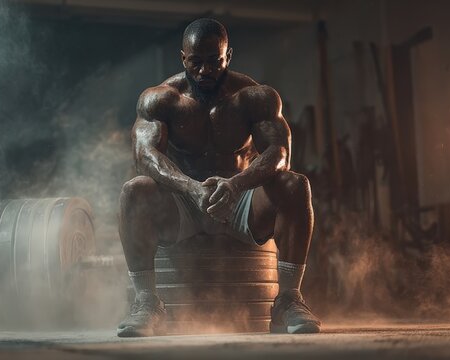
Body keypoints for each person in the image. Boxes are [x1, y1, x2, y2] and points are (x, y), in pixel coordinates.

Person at [117, 18, 321, 337]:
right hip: (184, 204)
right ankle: (146, 301)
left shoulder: (255, 97)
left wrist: (236, 184)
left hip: (240, 203)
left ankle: (288, 300)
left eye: (214, 61)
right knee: (135, 190)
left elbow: (280, 152)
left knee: (295, 184)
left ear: (228, 56)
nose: (204, 71)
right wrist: (191, 188)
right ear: (183, 58)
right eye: (196, 62)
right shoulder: (160, 99)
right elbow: (144, 156)